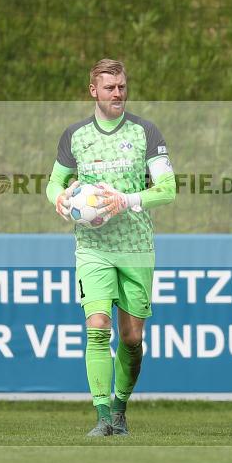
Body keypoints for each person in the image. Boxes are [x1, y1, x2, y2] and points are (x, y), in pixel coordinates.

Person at [45, 59, 176, 436]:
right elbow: (53, 184)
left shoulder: (146, 132)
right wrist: (59, 197)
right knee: (97, 327)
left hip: (135, 246)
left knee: (131, 339)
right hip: (93, 248)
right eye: (109, 87)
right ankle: (102, 417)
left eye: (121, 86)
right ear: (93, 91)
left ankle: (120, 407)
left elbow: (167, 189)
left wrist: (128, 201)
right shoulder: (75, 136)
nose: (117, 93)